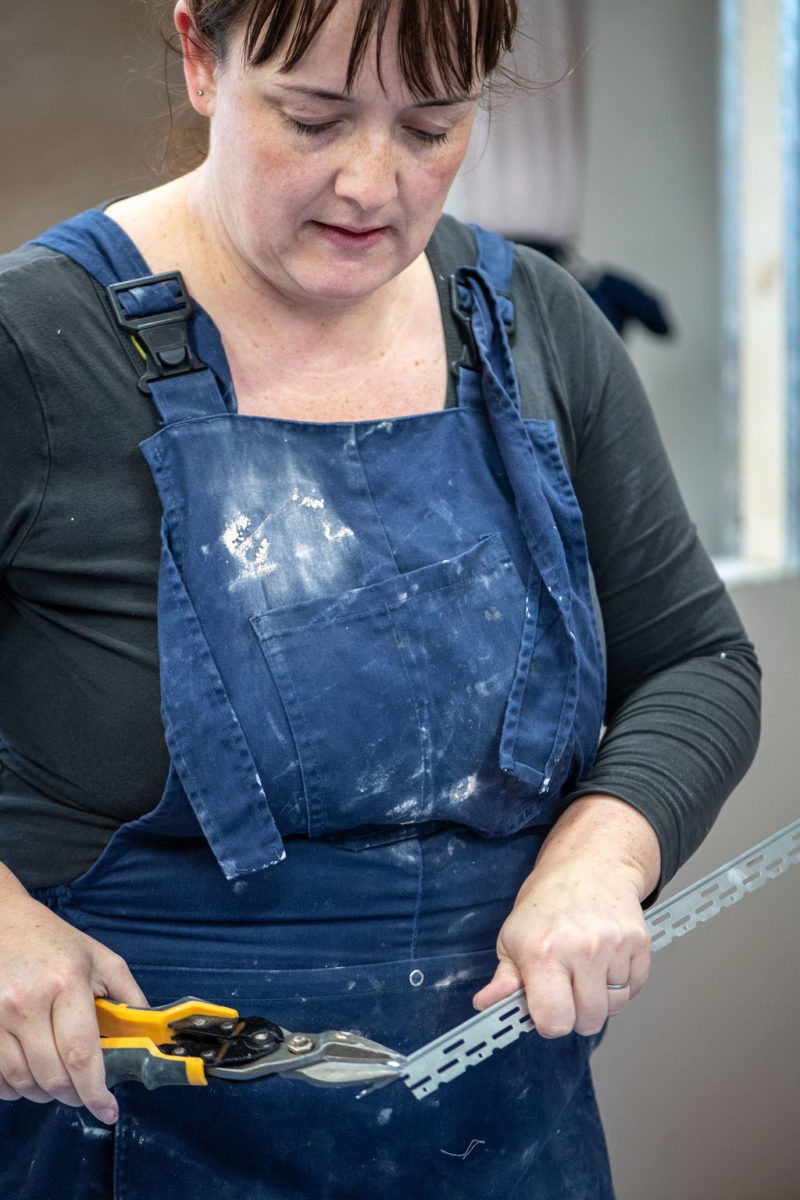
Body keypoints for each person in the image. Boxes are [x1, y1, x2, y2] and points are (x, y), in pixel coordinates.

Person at [0, 1, 760, 1197]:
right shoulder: (34, 346)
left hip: (500, 1136)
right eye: (313, 118)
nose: (371, 182)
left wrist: (600, 857)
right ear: (203, 57)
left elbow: (697, 664)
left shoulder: (535, 328)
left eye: (430, 125)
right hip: (121, 1134)